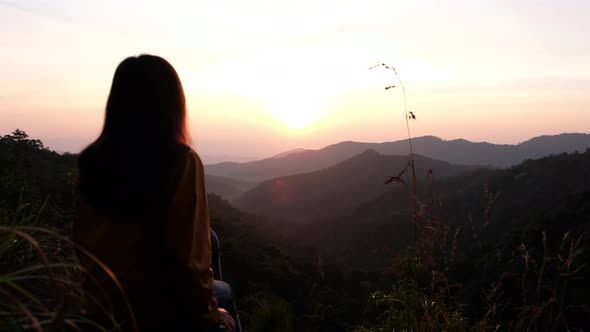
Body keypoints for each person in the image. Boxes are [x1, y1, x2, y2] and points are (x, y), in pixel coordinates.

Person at [74, 54, 236, 331]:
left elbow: (81, 242)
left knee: (211, 238)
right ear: (172, 106)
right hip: (156, 312)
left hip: (101, 308)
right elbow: (188, 266)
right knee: (226, 295)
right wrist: (211, 316)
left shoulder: (90, 160)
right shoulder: (180, 160)